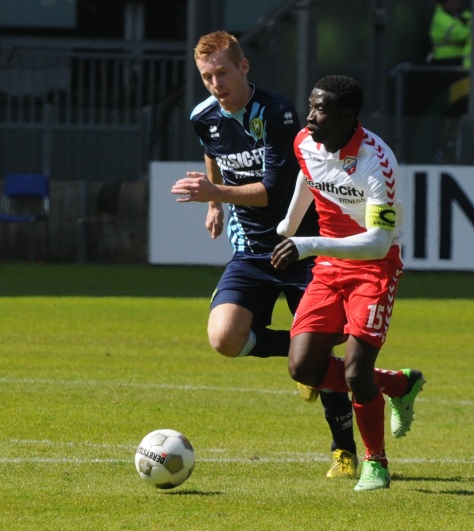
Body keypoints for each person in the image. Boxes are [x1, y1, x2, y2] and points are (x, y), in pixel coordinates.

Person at [171, 31, 414, 481]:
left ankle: (348, 452)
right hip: (254, 250)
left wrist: (220, 194)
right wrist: (214, 204)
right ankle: (382, 380)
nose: (215, 83)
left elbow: (274, 191)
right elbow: (215, 153)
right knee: (227, 338)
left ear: (244, 67)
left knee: (326, 364)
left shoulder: (281, 116)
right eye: (206, 76)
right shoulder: (205, 116)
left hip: (309, 251)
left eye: (223, 72)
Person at [272, 75, 425, 491]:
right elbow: (309, 174)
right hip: (329, 266)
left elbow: (378, 243)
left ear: (346, 116)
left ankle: (376, 462)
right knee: (302, 367)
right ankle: (398, 384)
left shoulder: (378, 161)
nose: (309, 116)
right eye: (310, 105)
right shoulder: (305, 139)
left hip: (374, 268)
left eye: (319, 109)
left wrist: (305, 242)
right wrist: (289, 224)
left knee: (358, 373)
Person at [428, 0, 473, 65]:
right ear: (445, 3)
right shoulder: (440, 17)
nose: (458, 2)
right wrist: (471, 27)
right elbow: (460, 34)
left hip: (461, 58)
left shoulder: (462, 13)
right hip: (445, 59)